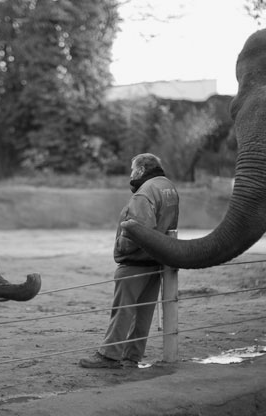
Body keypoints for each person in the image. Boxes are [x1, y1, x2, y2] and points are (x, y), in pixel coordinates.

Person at [79, 153, 179, 369]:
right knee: (144, 311)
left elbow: (138, 230)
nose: (131, 174)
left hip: (135, 262)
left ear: (141, 170)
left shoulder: (144, 194)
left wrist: (122, 250)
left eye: (133, 170)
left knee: (123, 309)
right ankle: (131, 356)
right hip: (157, 260)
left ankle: (109, 355)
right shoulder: (167, 186)